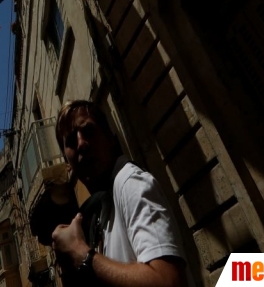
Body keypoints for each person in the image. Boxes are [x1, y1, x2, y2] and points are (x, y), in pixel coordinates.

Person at [51, 100, 186, 287]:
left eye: (89, 131)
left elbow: (168, 281)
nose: (81, 144)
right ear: (67, 165)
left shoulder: (130, 183)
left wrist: (80, 253)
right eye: (71, 140)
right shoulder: (106, 206)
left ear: (111, 138)